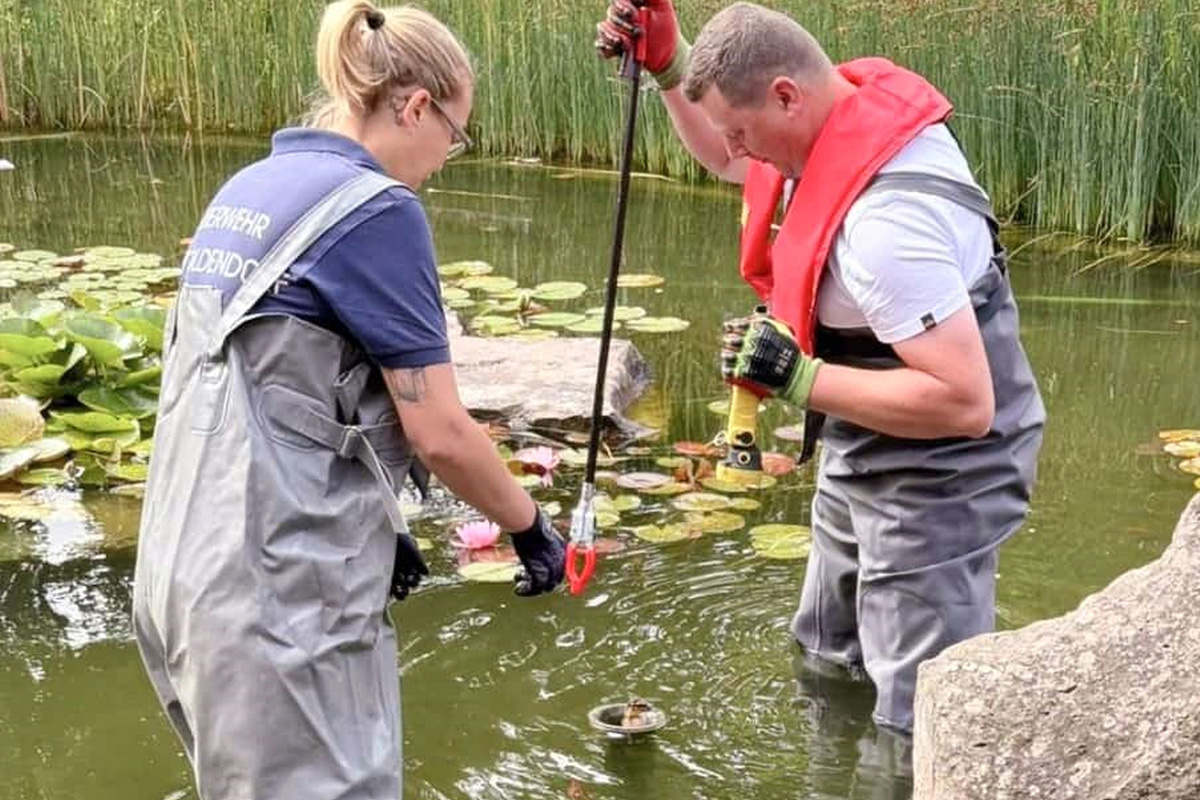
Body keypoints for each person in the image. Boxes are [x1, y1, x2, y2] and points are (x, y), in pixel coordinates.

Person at [132, 3, 565, 798]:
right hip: (274, 599)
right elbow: (439, 432)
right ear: (415, 107)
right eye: (456, 134)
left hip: (179, 576)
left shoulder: (252, 186)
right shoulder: (378, 210)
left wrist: (382, 521)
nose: (446, 156)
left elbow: (267, 396)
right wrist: (530, 526)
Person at [597, 1, 1044, 734]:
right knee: (825, 651)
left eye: (744, 132)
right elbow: (729, 155)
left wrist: (797, 379)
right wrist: (670, 69)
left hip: (947, 473)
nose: (738, 153)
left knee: (919, 713)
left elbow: (966, 403)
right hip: (864, 437)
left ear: (784, 96)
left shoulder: (888, 226)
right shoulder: (819, 127)